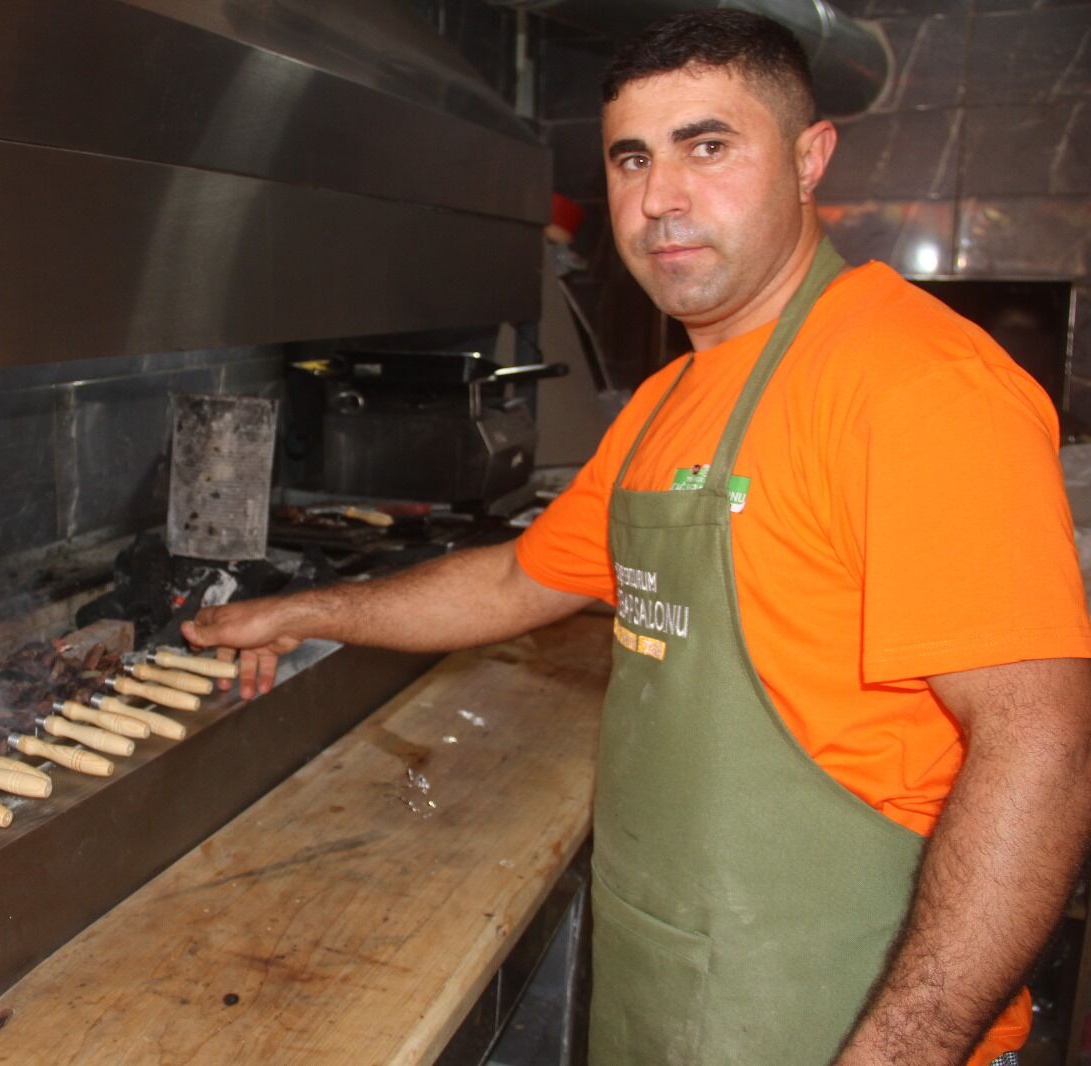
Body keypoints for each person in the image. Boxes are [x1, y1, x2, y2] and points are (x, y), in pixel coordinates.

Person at [182, 10, 1091, 1066]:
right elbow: (519, 579)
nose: (659, 197)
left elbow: (1045, 750)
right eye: (631, 157)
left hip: (850, 1009)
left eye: (707, 147)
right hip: (672, 993)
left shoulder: (915, 386)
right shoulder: (667, 403)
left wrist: (906, 1050)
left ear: (809, 160)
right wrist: (298, 611)